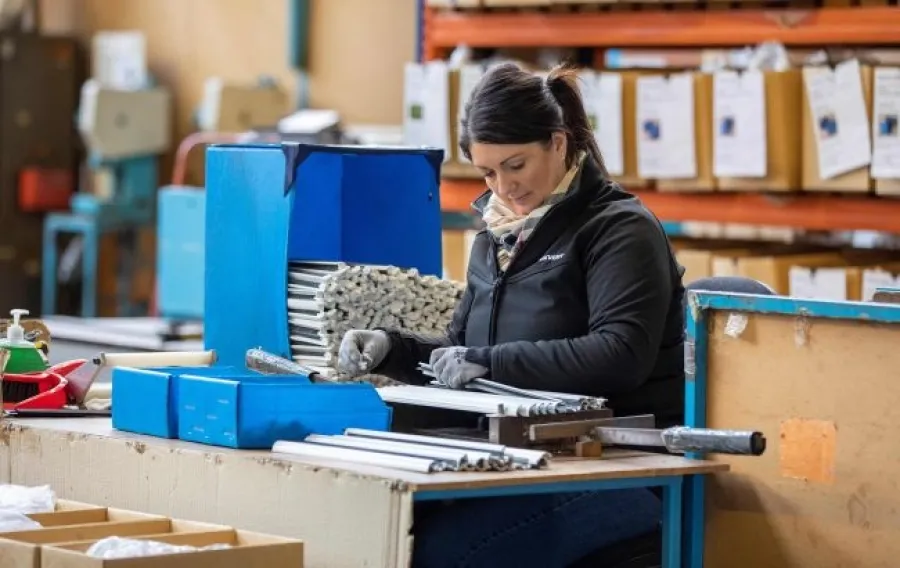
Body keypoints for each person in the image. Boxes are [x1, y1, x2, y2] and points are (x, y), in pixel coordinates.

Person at [337, 61, 686, 568]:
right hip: (518, 458)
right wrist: (394, 349)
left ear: (558, 143)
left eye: (515, 165)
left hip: (618, 468)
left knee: (439, 553)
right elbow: (460, 355)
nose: (504, 187)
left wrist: (491, 362)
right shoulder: (496, 237)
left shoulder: (618, 230)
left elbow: (620, 355)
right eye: (488, 172)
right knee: (381, 524)